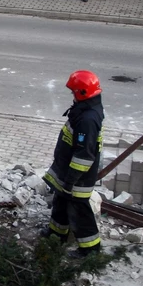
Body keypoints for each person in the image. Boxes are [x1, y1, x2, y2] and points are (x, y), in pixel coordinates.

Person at [43, 70, 105, 258]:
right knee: (61, 201)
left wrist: (71, 180)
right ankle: (57, 235)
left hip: (78, 177)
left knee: (78, 209)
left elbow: (84, 155)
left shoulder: (87, 119)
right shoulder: (85, 110)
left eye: (74, 92)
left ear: (82, 93)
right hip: (69, 172)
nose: (72, 95)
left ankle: (90, 249)